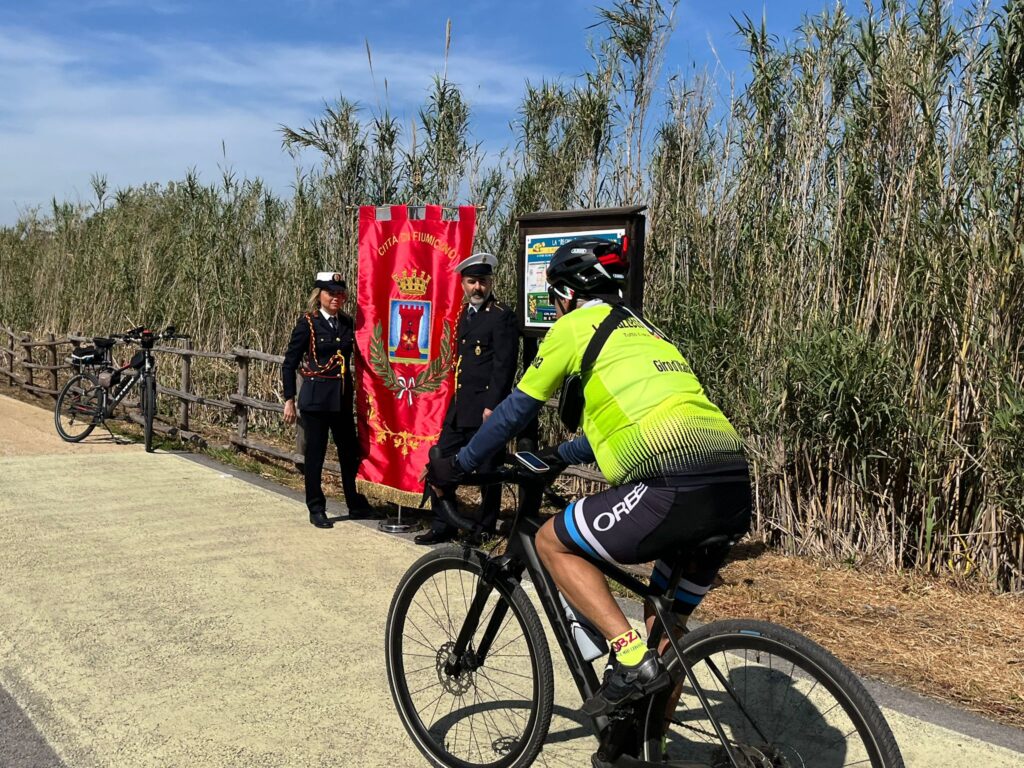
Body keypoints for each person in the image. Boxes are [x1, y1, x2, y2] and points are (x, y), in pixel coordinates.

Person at [428, 238, 752, 720]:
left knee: (550, 543)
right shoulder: (649, 331)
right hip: (731, 485)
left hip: (670, 485)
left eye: (556, 302)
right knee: (667, 634)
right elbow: (634, 416)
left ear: (564, 294)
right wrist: (561, 453)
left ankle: (624, 653)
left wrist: (460, 464)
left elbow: (517, 408)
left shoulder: (575, 325)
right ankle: (648, 744)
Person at [414, 252, 519, 545]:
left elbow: (504, 365)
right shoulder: (463, 315)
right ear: (463, 283)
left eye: (482, 282)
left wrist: (492, 406)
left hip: (486, 408)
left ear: (490, 283)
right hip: (460, 407)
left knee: (488, 472)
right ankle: (443, 523)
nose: (477, 288)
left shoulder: (501, 316)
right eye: (472, 282)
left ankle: (482, 529)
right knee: (440, 461)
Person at [283, 271, 373, 529]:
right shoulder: (308, 324)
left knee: (350, 455)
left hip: (341, 401)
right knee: (315, 456)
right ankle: (316, 507)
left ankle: (355, 504)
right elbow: (289, 363)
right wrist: (289, 398)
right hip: (316, 401)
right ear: (319, 295)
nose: (336, 298)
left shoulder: (346, 323)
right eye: (331, 293)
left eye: (340, 293)